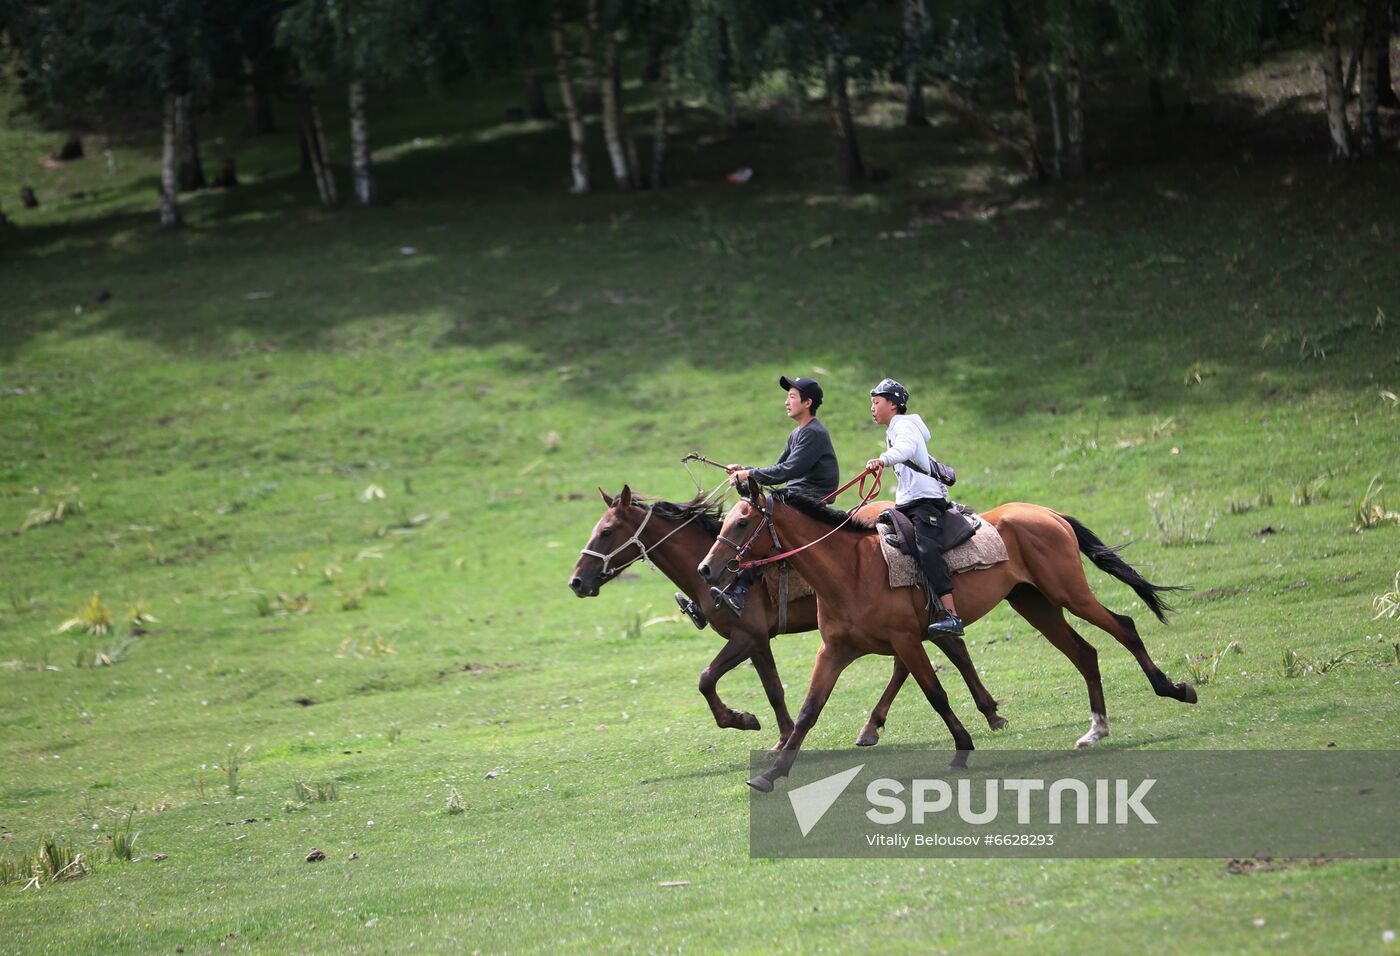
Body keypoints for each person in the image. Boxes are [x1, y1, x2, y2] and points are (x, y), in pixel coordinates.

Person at [685, 375, 839, 621]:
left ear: (807, 402)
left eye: (792, 397)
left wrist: (750, 474)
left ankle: (738, 590)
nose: (786, 402)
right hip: (792, 496)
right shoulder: (797, 433)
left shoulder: (814, 433)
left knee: (756, 529)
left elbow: (788, 471)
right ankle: (707, 599)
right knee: (738, 524)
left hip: (808, 499)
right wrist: (744, 472)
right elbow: (779, 468)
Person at [864, 378, 965, 637]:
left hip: (924, 502)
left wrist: (883, 459)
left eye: (876, 402)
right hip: (909, 502)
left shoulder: (904, 425)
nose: (872, 408)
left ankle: (952, 616)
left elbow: (906, 449)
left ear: (893, 405)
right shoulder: (895, 428)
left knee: (926, 548)